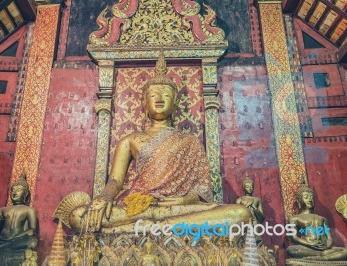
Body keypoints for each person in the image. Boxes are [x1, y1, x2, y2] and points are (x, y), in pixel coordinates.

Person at [84, 51, 251, 233]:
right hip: (141, 206)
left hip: (180, 208)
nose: (160, 99)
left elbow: (202, 188)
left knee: (241, 213)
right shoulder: (130, 140)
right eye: (154, 95)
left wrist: (188, 200)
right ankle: (160, 227)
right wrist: (105, 197)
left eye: (166, 94)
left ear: (176, 102)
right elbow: (115, 181)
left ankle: (154, 228)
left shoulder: (189, 141)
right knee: (79, 216)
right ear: (144, 101)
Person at [287, 184, 347, 261]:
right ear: (299, 201)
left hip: (324, 249)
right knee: (292, 250)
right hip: (307, 247)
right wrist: (310, 244)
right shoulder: (294, 218)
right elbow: (294, 237)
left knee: (345, 251)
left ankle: (321, 258)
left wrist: (327, 245)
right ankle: (323, 257)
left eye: (312, 197)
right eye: (306, 197)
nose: (310, 199)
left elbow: (329, 237)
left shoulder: (323, 219)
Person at [236, 174, 264, 245]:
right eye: (247, 187)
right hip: (244, 222)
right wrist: (247, 205)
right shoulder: (239, 200)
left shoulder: (257, 200)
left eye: (251, 186)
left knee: (256, 241)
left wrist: (254, 207)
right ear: (244, 188)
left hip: (255, 221)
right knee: (244, 241)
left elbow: (262, 218)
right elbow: (237, 216)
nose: (250, 188)